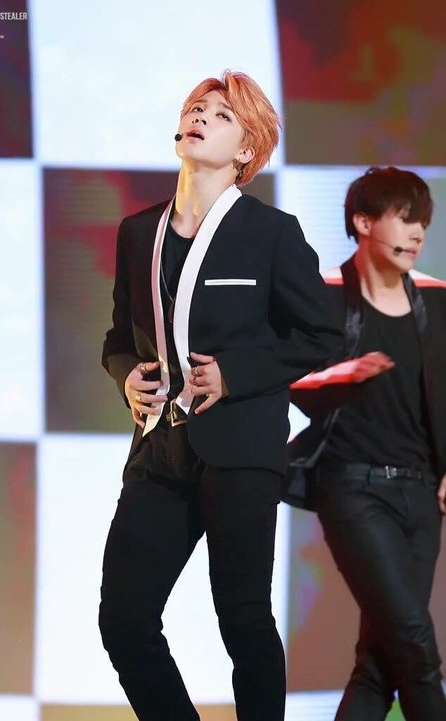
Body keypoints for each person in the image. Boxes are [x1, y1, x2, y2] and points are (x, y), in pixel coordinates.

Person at [99, 69, 341, 721]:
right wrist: (126, 373)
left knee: (242, 617)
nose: (201, 115)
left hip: (242, 449)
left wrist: (234, 373)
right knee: (123, 619)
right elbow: (119, 337)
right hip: (159, 449)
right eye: (196, 107)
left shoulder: (272, 232)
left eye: (222, 114)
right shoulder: (137, 232)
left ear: (246, 149)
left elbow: (322, 335)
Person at [283, 166, 446, 721]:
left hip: (422, 495)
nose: (417, 232)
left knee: (379, 663)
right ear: (363, 222)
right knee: (416, 648)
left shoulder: (436, 300)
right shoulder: (322, 295)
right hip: (352, 488)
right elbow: (285, 378)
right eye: (405, 218)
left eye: (422, 221)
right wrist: (341, 375)